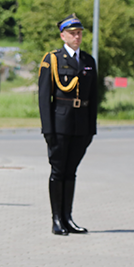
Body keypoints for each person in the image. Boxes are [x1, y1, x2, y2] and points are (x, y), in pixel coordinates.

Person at [38, 14, 97, 236]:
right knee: (58, 171)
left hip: (81, 125)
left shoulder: (88, 61)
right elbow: (45, 98)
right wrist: (48, 129)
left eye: (79, 33)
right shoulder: (53, 59)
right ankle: (56, 219)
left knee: (71, 172)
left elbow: (94, 97)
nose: (77, 37)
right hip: (59, 123)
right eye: (72, 33)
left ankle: (68, 217)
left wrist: (91, 128)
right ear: (63, 35)